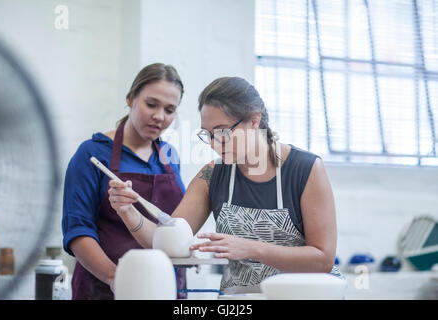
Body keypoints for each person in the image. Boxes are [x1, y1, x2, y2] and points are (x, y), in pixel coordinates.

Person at [108, 76, 343, 295]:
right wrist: (127, 211)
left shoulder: (305, 169)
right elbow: (167, 242)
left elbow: (322, 259)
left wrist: (251, 248)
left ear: (254, 120)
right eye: (207, 135)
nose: (214, 143)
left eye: (222, 132)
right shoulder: (213, 175)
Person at [62, 63, 187, 299]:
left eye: (170, 110)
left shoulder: (170, 157)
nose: (159, 116)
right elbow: (77, 230)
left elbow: (174, 227)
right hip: (104, 288)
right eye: (151, 104)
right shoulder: (92, 154)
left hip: (165, 288)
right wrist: (114, 277)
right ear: (130, 99)